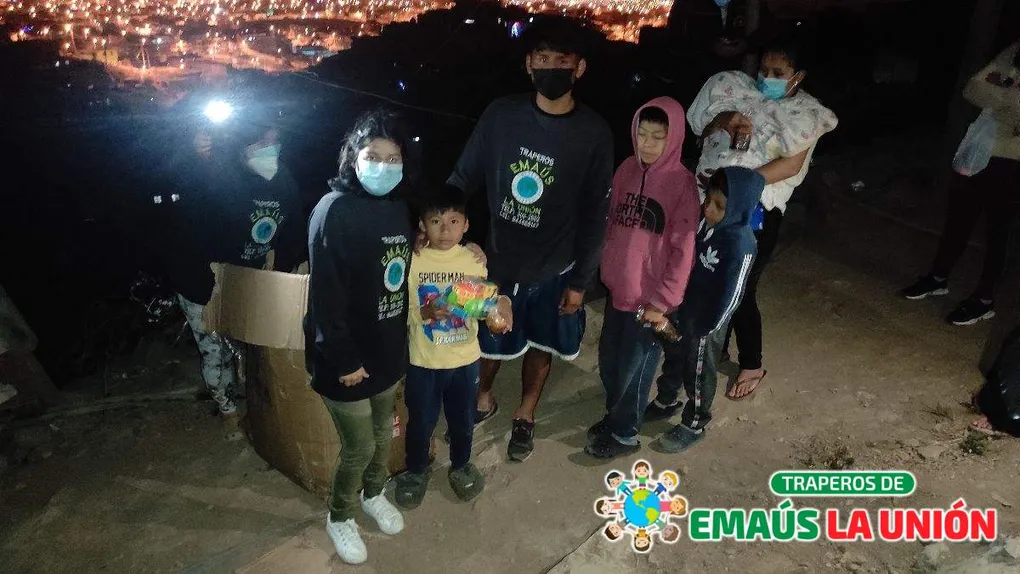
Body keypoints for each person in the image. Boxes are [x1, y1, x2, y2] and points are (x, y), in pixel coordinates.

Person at [447, 17, 614, 462]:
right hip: (497, 259)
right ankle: (483, 397)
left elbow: (595, 213)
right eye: (543, 58)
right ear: (528, 63)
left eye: (562, 60)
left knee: (541, 345)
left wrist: (580, 280)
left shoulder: (594, 133)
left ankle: (526, 412)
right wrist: (438, 231)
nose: (551, 68)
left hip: (555, 265)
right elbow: (462, 178)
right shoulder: (501, 114)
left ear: (579, 68)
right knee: (489, 338)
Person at [672, 38, 837, 404]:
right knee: (704, 272)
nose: (767, 78)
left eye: (778, 72)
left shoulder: (805, 115)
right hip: (711, 201)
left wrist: (735, 186)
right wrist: (723, 121)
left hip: (756, 210)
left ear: (798, 76)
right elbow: (701, 132)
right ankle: (715, 344)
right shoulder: (735, 92)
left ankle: (752, 363)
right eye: (763, 70)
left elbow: (790, 166)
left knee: (741, 286)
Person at [304, 108, 414, 565]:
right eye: (373, 156)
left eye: (393, 158)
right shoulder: (334, 211)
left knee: (383, 433)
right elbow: (325, 299)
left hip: (387, 349)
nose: (384, 166)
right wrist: (345, 360)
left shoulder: (398, 208)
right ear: (353, 157)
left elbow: (399, 270)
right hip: (344, 358)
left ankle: (373, 493)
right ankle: (340, 515)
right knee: (360, 445)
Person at [164, 92, 304, 417]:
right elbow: (189, 226)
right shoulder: (216, 175)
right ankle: (227, 412)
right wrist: (192, 153)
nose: (270, 151)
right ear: (243, 147)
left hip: (246, 279)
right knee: (216, 351)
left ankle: (253, 401)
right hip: (200, 282)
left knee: (248, 343)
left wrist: (279, 270)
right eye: (262, 144)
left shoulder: (283, 180)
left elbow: (293, 230)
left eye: (275, 143)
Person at [584, 98, 700, 459]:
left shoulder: (682, 184)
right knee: (610, 360)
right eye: (641, 134)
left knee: (635, 370)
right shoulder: (626, 170)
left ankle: (625, 435)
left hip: (650, 301)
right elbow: (610, 222)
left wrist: (663, 302)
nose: (647, 144)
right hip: (620, 289)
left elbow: (683, 249)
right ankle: (616, 414)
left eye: (657, 137)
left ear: (674, 138)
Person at [395, 186, 512, 509]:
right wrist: (425, 313)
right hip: (424, 361)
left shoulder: (473, 260)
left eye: (453, 221)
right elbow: (403, 309)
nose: (445, 231)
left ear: (466, 225)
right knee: (421, 422)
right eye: (436, 222)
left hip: (465, 360)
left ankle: (461, 465)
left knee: (462, 420)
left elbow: (485, 304)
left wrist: (496, 313)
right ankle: (416, 470)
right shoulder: (413, 261)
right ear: (422, 225)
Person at [900, 40, 1020, 326]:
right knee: (958, 220)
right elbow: (973, 89)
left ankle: (984, 299)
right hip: (981, 149)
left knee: (999, 235)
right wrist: (1010, 95)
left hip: (1014, 161)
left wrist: (1001, 87)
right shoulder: (1014, 50)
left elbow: (994, 95)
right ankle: (938, 277)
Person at [651, 167, 764, 453]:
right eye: (708, 201)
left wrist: (710, 327)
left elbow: (734, 295)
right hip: (686, 308)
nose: (709, 209)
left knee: (699, 372)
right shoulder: (706, 224)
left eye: (719, 206)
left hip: (707, 323)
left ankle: (695, 423)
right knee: (674, 355)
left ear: (739, 208)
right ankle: (666, 399)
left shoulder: (741, 244)